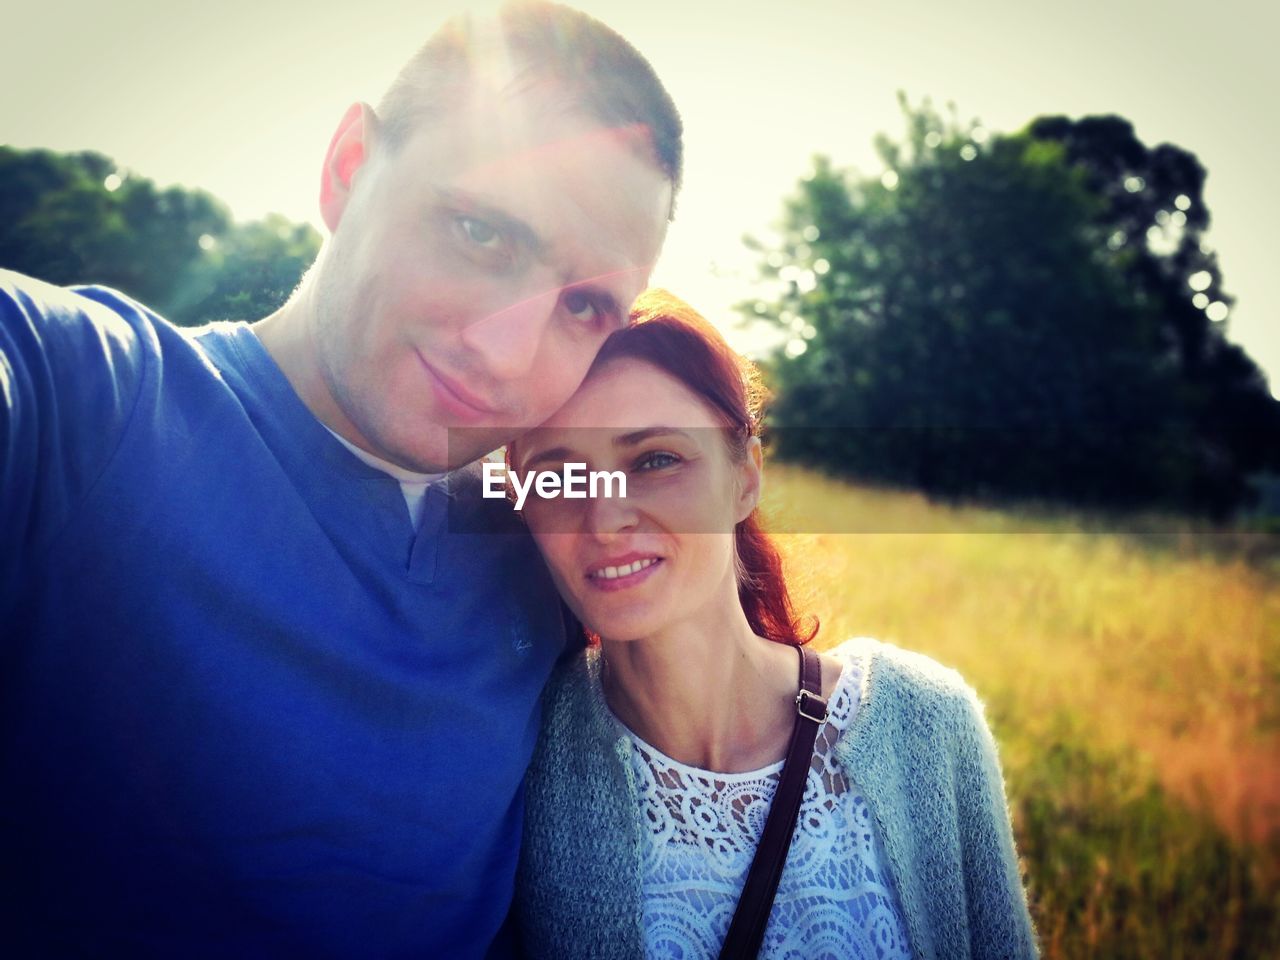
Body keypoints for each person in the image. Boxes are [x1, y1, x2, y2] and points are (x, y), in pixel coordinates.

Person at [0, 3, 680, 956]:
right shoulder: (84, 394)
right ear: (348, 169)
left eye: (582, 305)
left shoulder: (545, 540)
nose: (508, 354)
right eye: (482, 234)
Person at [510, 290, 1039, 958]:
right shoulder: (518, 763)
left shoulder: (925, 722)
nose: (605, 519)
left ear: (746, 476)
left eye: (654, 460)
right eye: (558, 477)